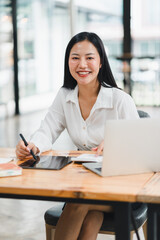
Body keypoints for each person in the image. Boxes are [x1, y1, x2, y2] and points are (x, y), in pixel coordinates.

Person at [16, 32, 139, 240]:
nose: (82, 64)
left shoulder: (121, 100)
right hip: (89, 183)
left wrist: (117, 144)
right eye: (75, 58)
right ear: (68, 62)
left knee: (78, 200)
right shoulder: (65, 96)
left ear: (101, 62)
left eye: (89, 57)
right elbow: (47, 129)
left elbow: (142, 147)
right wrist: (33, 146)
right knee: (91, 217)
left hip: (122, 185)